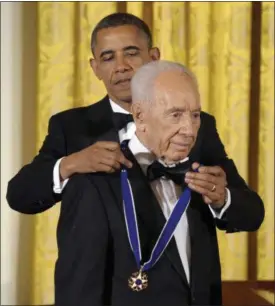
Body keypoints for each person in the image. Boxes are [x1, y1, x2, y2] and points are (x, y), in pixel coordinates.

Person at [4, 12, 257, 217]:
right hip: (104, 279)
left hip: (185, 278)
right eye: (108, 57)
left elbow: (252, 213)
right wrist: (69, 165)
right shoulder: (71, 126)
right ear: (95, 68)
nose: (122, 66)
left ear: (154, 57)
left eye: (131, 53)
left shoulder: (196, 124)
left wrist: (222, 198)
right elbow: (19, 196)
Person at [54, 61, 264, 306]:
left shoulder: (203, 167)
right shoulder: (92, 183)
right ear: (140, 115)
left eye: (195, 115)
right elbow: (77, 295)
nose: (189, 129)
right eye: (175, 115)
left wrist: (222, 199)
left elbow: (253, 215)